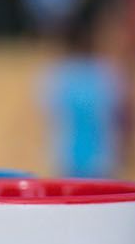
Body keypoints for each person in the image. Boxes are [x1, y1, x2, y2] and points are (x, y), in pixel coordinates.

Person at [40, 14, 121, 177]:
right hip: (100, 159)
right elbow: (119, 115)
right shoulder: (106, 71)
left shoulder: (57, 74)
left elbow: (49, 114)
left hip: (66, 158)